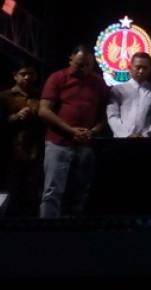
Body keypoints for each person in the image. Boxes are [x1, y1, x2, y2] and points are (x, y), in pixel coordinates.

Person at [38, 45, 109, 218]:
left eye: (88, 65)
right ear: (71, 59)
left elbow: (106, 114)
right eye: (80, 64)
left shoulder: (98, 82)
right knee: (52, 191)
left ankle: (73, 230)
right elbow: (44, 111)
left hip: (85, 144)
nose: (83, 69)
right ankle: (46, 230)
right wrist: (71, 131)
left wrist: (93, 131)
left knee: (80, 192)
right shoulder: (58, 77)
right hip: (58, 143)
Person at [0, 61, 44, 216]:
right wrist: (16, 117)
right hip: (10, 150)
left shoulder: (41, 96)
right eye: (23, 74)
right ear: (15, 76)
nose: (27, 77)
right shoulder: (4, 96)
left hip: (35, 149)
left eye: (30, 74)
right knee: (12, 188)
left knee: (32, 190)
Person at [106, 52, 151, 138]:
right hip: (122, 139)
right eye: (138, 67)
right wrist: (126, 135)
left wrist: (146, 134)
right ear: (130, 68)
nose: (141, 71)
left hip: (147, 139)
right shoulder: (118, 90)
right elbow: (112, 115)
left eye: (145, 68)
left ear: (150, 69)